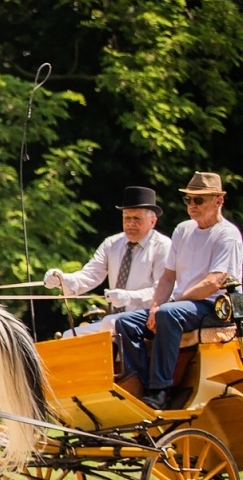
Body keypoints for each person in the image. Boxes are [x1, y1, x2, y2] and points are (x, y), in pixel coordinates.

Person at [116, 173, 243, 411]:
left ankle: (160, 391)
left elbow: (213, 282)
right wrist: (154, 307)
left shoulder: (227, 235)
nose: (192, 205)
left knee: (168, 314)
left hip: (212, 306)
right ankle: (140, 386)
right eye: (188, 200)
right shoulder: (183, 230)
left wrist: (169, 305)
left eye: (198, 200)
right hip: (181, 305)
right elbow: (168, 277)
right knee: (125, 322)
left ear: (218, 200)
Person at [43, 186, 171, 336]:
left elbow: (163, 290)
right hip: (114, 319)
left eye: (137, 218)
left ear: (152, 222)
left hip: (147, 318)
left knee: (110, 323)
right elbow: (90, 275)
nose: (130, 223)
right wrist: (61, 279)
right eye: (126, 218)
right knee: (69, 336)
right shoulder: (111, 244)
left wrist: (128, 297)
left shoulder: (162, 246)